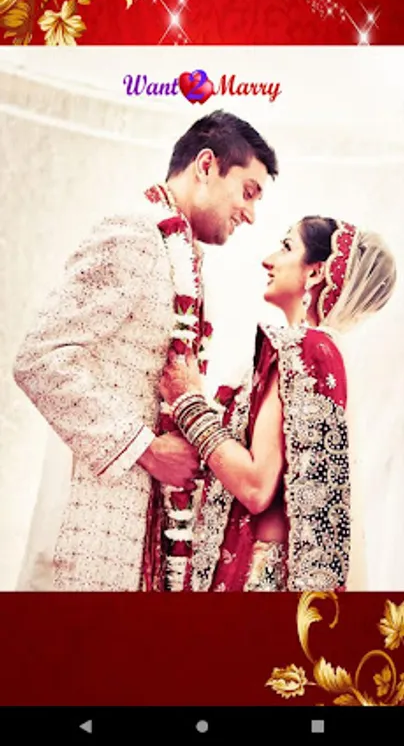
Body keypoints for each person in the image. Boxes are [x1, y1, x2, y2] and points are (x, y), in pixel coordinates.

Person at [12, 110, 278, 591]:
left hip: (145, 528)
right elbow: (41, 357)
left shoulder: (184, 258)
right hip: (93, 522)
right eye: (248, 191)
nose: (251, 213)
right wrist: (147, 449)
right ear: (206, 166)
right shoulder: (134, 235)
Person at [158, 216, 397, 591]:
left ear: (316, 272)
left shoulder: (303, 349)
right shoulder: (320, 351)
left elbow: (255, 486)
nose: (268, 260)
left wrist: (188, 404)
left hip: (258, 583)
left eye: (286, 247)